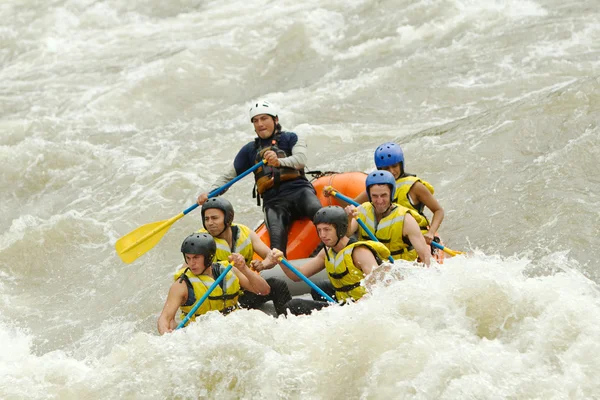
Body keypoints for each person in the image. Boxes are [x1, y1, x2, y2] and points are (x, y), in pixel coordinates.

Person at [197, 99, 322, 257]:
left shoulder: (291, 138)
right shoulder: (249, 150)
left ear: (275, 120)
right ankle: (281, 274)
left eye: (264, 118)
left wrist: (279, 161)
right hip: (274, 202)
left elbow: (301, 159)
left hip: (300, 191)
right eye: (256, 121)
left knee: (321, 215)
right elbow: (228, 176)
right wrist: (210, 194)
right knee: (276, 247)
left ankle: (339, 246)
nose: (260, 124)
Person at [256, 206, 391, 315]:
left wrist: (354, 309)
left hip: (359, 306)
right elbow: (298, 276)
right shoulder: (328, 251)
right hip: (345, 301)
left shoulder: (360, 252)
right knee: (320, 287)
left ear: (340, 229)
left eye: (327, 230)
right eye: (319, 230)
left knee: (294, 306)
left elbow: (379, 290)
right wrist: (282, 260)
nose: (322, 235)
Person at [326, 142, 444, 245]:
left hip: (411, 238)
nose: (392, 171)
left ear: (401, 164)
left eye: (394, 166)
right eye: (386, 169)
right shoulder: (378, 188)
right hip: (387, 237)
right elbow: (354, 204)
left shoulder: (415, 187)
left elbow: (438, 211)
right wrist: (335, 194)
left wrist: (431, 232)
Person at [157, 233, 271, 335]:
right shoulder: (182, 285)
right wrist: (166, 333)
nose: (191, 263)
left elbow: (264, 290)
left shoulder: (229, 270)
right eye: (188, 258)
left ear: (209, 257)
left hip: (234, 329)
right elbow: (165, 318)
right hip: (201, 336)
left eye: (196, 258)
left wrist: (244, 268)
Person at [198, 197, 292, 316]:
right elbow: (186, 273)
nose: (210, 223)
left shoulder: (245, 233)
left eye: (215, 218)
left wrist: (263, 264)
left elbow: (271, 256)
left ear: (228, 218)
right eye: (206, 219)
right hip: (221, 301)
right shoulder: (201, 242)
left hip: (245, 294)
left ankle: (287, 320)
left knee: (277, 285)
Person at [345, 170, 431, 266]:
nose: (379, 200)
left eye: (384, 195)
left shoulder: (406, 219)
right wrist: (349, 218)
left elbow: (425, 257)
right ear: (369, 195)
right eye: (375, 196)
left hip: (398, 269)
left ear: (391, 193)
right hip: (370, 267)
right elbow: (347, 234)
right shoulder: (361, 210)